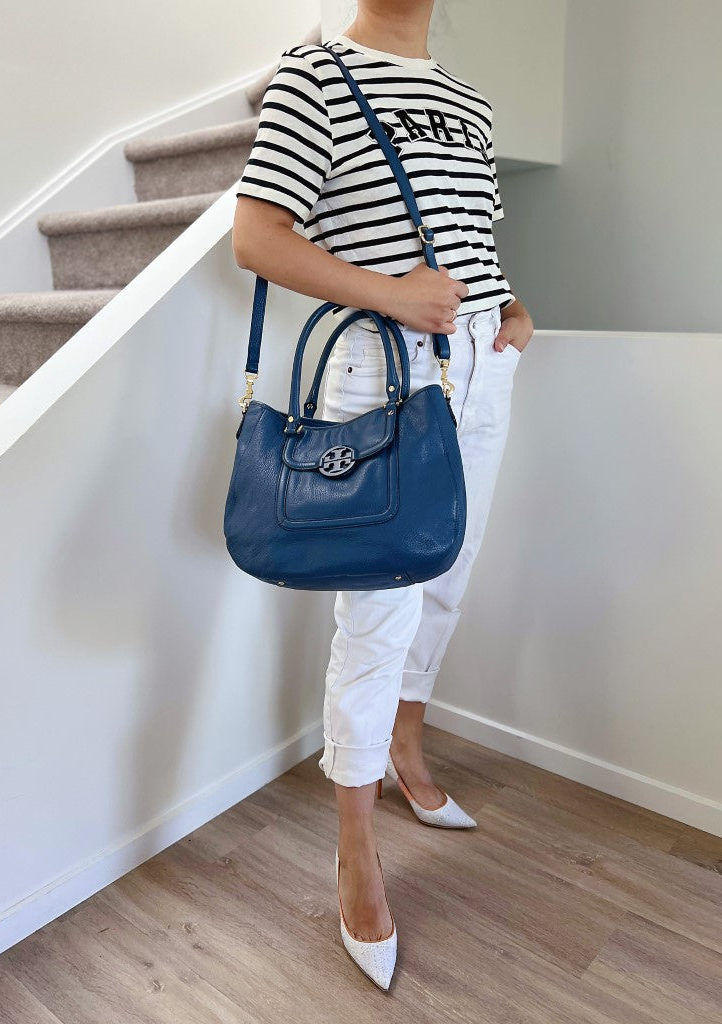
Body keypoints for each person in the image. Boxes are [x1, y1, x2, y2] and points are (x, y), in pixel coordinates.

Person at [232, 0, 534, 991]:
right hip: (381, 366)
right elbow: (257, 239)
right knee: (378, 612)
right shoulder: (313, 73)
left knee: (451, 576)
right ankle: (354, 849)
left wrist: (512, 302)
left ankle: (407, 737)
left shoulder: (469, 99)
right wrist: (392, 295)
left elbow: (470, 233)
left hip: (481, 365)